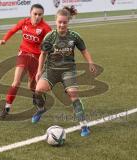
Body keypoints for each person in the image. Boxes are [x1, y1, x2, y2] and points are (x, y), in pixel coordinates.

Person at [32, 6, 97, 137]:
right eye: (60, 22)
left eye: (64, 22)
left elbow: (84, 50)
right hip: (51, 70)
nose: (62, 24)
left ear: (68, 22)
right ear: (55, 21)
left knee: (73, 94)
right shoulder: (49, 37)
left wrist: (90, 62)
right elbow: (43, 54)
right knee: (38, 90)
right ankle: (40, 109)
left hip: (68, 70)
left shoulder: (74, 36)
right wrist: (39, 71)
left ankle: (84, 125)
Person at [0, 4, 52, 118]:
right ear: (30, 13)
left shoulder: (46, 28)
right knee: (16, 82)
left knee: (32, 85)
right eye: (35, 14)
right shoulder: (24, 22)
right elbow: (13, 30)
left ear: (42, 15)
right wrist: (4, 40)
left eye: (39, 14)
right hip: (24, 54)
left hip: (36, 58)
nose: (37, 16)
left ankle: (36, 97)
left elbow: (50, 45)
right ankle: (6, 108)